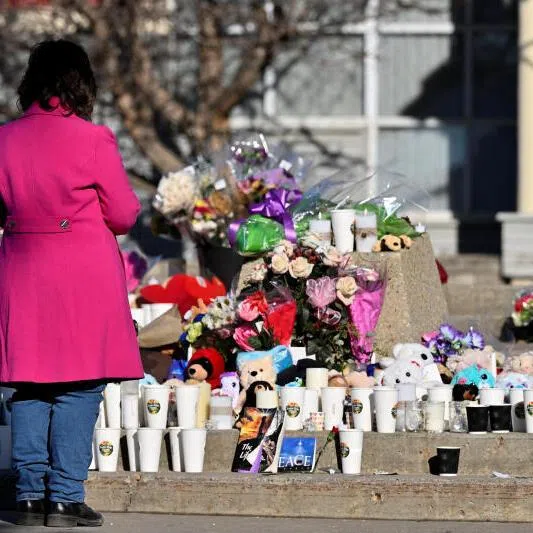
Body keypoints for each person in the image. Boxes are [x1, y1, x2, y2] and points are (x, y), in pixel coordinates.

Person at [0, 40, 144, 527]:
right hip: (82, 271)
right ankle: (63, 497)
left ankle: (27, 497)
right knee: (80, 387)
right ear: (82, 84)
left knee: (27, 385)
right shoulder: (94, 139)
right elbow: (123, 214)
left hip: (22, 268)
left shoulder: (3, 139)